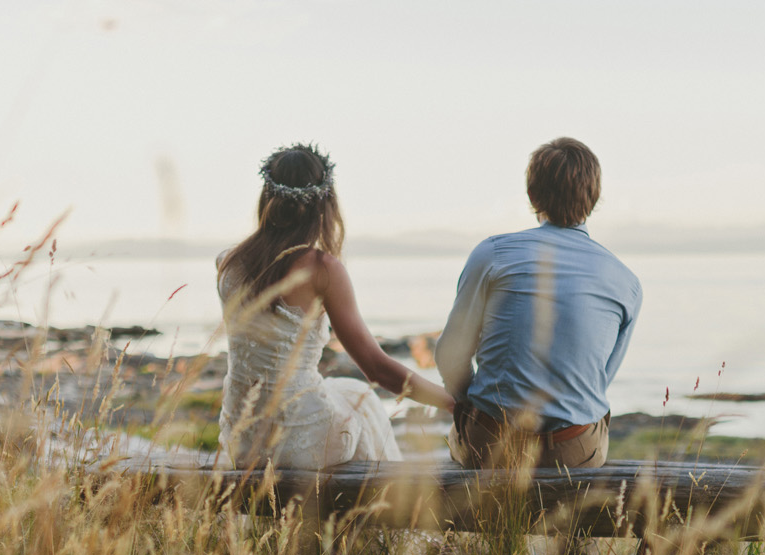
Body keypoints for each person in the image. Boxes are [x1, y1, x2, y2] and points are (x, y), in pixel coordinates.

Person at [217, 144, 453, 469]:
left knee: (351, 393)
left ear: (267, 199)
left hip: (242, 438)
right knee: (364, 401)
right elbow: (377, 367)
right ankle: (377, 516)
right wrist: (454, 404)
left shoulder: (228, 263)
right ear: (325, 205)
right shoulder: (322, 269)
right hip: (298, 439)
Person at [435, 137, 641, 469]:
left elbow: (449, 355)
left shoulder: (492, 255)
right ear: (595, 198)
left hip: (492, 446)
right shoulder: (626, 282)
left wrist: (468, 404)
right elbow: (598, 381)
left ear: (532, 195)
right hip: (571, 451)